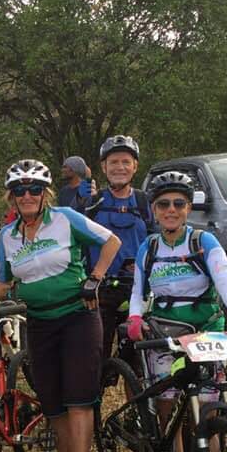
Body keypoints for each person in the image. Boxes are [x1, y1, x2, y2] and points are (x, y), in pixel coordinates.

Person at [0, 159, 121, 452]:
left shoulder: (65, 218)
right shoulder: (8, 236)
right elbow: (4, 280)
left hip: (77, 316)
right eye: (19, 190)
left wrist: (95, 277)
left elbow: (112, 241)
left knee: (78, 397)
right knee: (52, 397)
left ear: (45, 194)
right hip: (39, 321)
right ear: (12, 197)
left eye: (34, 189)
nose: (27, 195)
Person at [125, 171, 227, 452]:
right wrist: (135, 317)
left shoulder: (203, 241)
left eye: (178, 203)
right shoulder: (149, 247)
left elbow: (225, 279)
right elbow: (138, 290)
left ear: (188, 208)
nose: (171, 210)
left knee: (208, 412)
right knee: (167, 409)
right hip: (165, 333)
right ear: (154, 210)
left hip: (205, 332)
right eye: (163, 204)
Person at [87, 135, 154, 362]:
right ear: (104, 167)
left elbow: (156, 241)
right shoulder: (93, 202)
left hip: (138, 288)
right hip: (100, 290)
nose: (120, 167)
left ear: (135, 166)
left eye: (126, 162)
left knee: (137, 359)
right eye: (113, 162)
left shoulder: (144, 202)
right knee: (97, 356)